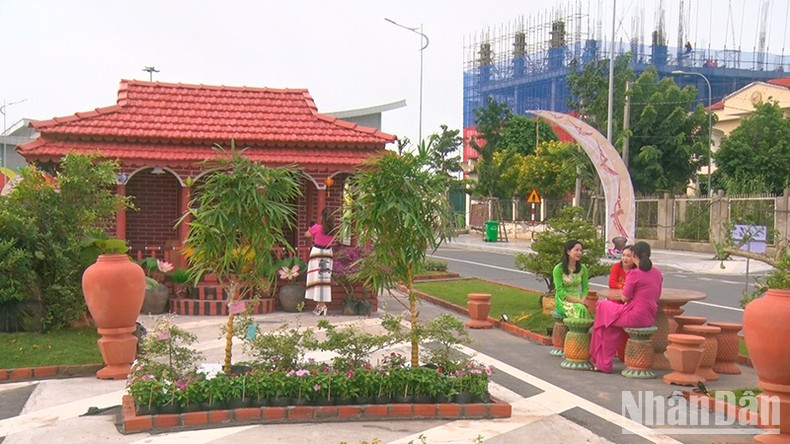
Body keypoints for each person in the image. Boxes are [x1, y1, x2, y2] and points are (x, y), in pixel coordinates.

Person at [589, 241, 663, 373]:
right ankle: (602, 362)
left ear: (634, 256)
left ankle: (602, 363)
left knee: (602, 307)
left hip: (635, 316)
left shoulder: (635, 274)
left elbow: (624, 298)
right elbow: (657, 295)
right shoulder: (657, 273)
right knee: (609, 323)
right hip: (649, 317)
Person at [304, 207, 335, 316]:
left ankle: (322, 305)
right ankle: (320, 304)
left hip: (317, 253)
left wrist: (310, 228)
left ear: (322, 217)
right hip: (327, 253)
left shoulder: (317, 227)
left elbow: (306, 234)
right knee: (324, 279)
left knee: (317, 278)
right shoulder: (333, 230)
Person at [553, 240, 591, 319]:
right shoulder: (558, 269)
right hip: (563, 300)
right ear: (568, 252)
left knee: (582, 308)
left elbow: (585, 288)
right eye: (576, 250)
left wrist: (582, 299)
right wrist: (580, 302)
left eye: (581, 250)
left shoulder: (583, 268)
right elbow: (560, 291)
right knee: (581, 309)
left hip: (578, 298)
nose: (579, 253)